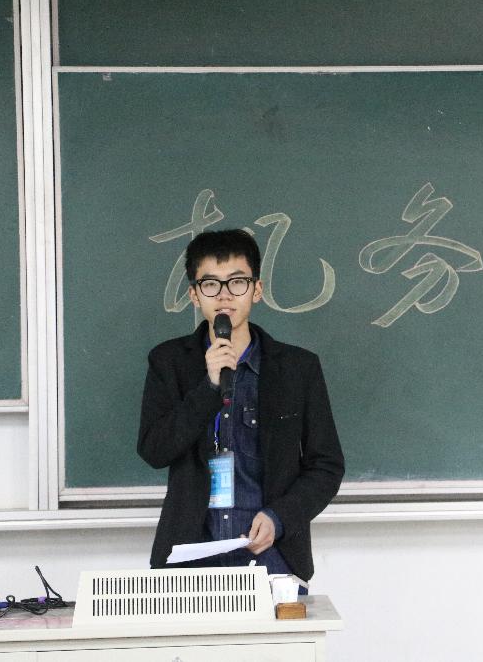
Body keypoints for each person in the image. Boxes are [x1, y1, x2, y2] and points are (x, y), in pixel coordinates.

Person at [138, 228, 344, 584]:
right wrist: (208, 387)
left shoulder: (297, 368)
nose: (224, 295)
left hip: (272, 558)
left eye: (237, 282)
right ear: (194, 294)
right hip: (190, 559)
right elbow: (155, 450)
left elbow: (326, 466)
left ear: (256, 290)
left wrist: (280, 518)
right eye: (210, 284)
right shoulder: (169, 362)